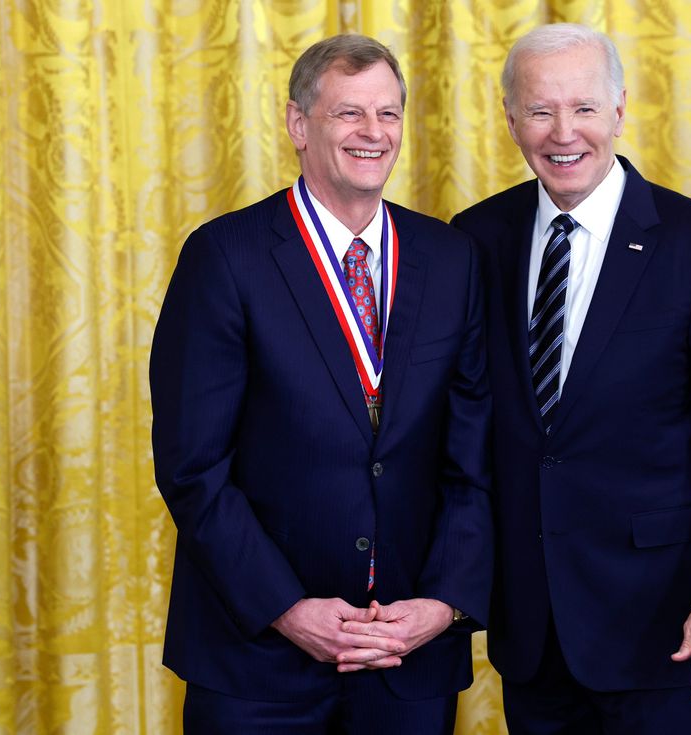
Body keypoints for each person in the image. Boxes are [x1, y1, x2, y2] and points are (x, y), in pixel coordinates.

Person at [451, 23, 691, 734]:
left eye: (583, 108)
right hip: (533, 628)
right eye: (540, 111)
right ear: (511, 118)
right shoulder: (476, 238)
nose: (562, 132)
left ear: (619, 110)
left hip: (663, 629)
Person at [150, 33, 492, 734]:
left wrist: (445, 602)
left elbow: (475, 455)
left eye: (389, 114)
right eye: (349, 114)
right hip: (257, 662)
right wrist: (284, 607)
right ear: (299, 125)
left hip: (409, 657)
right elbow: (193, 467)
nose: (374, 133)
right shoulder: (226, 257)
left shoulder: (452, 259)